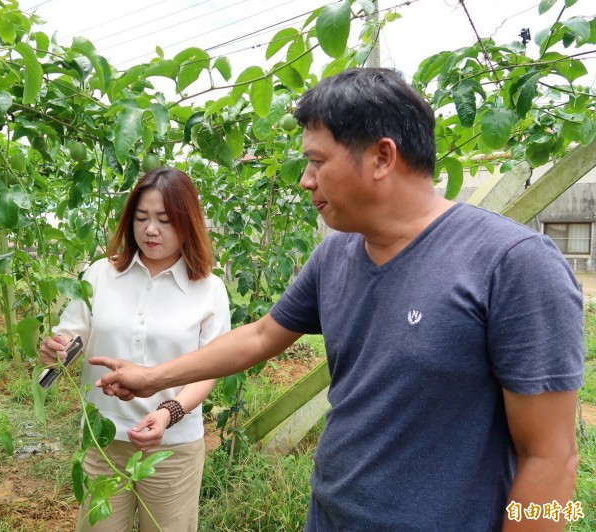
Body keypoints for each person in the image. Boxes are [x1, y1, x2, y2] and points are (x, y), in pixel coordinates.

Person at [91, 68, 585, 531]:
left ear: (381, 157)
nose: (306, 180)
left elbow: (553, 457)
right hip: (330, 514)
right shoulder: (338, 255)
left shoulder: (513, 264)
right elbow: (262, 335)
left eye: (317, 162)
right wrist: (152, 379)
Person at [39, 168, 230, 532]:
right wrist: (54, 351)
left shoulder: (209, 289)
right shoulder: (100, 275)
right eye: (141, 218)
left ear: (187, 222)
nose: (150, 229)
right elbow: (72, 338)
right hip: (103, 438)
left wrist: (168, 413)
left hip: (173, 446)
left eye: (164, 220)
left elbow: (210, 369)